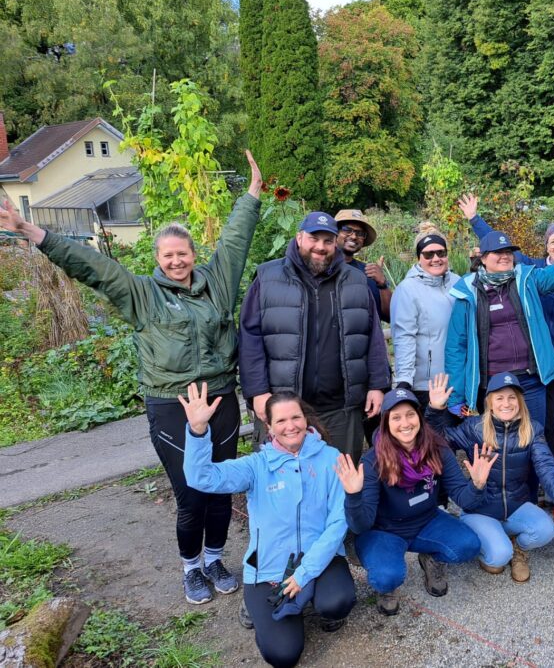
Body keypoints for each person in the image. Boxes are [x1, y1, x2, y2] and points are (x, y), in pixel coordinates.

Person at [0, 152, 264, 605]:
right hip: (171, 403)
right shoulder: (141, 293)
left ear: (193, 256)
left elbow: (236, 240)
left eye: (183, 254)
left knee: (222, 488)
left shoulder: (217, 281)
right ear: (158, 259)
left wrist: (253, 194)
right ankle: (192, 568)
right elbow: (91, 266)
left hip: (219, 397)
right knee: (190, 494)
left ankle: (217, 558)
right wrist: (29, 230)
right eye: (168, 255)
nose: (176, 261)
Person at [181, 385, 354, 668]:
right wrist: (198, 431)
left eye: (296, 418)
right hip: (268, 563)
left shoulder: (331, 458)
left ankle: (311, 599)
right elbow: (202, 478)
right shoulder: (256, 466)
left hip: (320, 557)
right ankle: (265, 608)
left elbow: (338, 521)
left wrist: (303, 574)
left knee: (338, 601)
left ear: (306, 418)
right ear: (269, 427)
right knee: (283, 655)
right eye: (281, 421)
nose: (291, 426)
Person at [460, 193, 554, 468]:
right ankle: (549, 471)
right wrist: (475, 220)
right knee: (544, 422)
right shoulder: (532, 271)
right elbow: (500, 250)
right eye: (553, 241)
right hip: (540, 362)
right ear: (546, 247)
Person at [239, 211, 390, 460]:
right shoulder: (268, 278)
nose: (320, 247)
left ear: (335, 243)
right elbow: (250, 339)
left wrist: (377, 384)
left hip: (341, 407)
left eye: (327, 240)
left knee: (340, 478)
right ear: (299, 238)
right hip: (284, 406)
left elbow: (372, 336)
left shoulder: (356, 280)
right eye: (313, 238)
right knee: (284, 481)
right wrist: (258, 392)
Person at [425, 372, 554, 582]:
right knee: (498, 557)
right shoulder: (475, 428)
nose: (506, 403)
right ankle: (496, 544)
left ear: (520, 401)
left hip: (515, 505)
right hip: (480, 508)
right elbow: (438, 441)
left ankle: (518, 548)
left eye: (512, 397)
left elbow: (547, 468)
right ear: (490, 402)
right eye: (499, 398)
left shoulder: (532, 430)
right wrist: (435, 410)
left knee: (546, 530)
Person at [338, 388, 497, 616]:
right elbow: (360, 525)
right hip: (385, 530)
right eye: (396, 417)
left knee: (468, 545)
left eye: (410, 414)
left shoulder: (437, 448)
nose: (405, 423)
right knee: (386, 577)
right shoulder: (372, 460)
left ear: (419, 418)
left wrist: (478, 484)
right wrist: (353, 496)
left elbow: (463, 498)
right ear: (386, 423)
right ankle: (388, 587)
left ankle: (430, 557)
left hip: (427, 521)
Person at [444, 213, 554, 424]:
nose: (505, 256)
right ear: (483, 258)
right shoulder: (468, 292)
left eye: (508, 252)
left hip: (529, 379)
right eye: (497, 252)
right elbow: (456, 347)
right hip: (491, 382)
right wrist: (456, 396)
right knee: (497, 441)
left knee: (535, 436)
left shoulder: (526, 279)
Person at [389, 228, 460, 410]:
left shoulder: (458, 283)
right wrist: (404, 380)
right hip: (427, 383)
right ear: (419, 257)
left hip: (458, 378)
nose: (436, 259)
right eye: (428, 254)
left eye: (441, 253)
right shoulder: (408, 290)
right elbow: (404, 336)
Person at [334, 208, 391, 321]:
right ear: (335, 233)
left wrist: (382, 284)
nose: (354, 236)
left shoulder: (368, 272)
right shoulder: (320, 268)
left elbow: (390, 316)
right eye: (347, 230)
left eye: (360, 233)